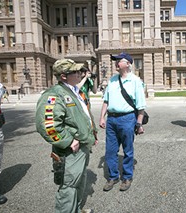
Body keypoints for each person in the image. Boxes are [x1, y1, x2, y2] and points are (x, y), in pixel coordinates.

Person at [35, 59, 98, 213]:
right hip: (70, 150)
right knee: (68, 187)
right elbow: (48, 126)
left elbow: (83, 115)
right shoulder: (54, 95)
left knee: (79, 181)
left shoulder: (73, 91)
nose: (80, 74)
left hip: (82, 146)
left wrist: (92, 134)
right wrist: (69, 141)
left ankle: (75, 210)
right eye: (76, 72)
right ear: (63, 76)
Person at [99, 52, 146, 192]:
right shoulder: (112, 80)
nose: (116, 62)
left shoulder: (136, 81)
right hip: (112, 119)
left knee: (127, 150)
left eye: (119, 60)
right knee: (110, 150)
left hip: (128, 118)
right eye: (116, 60)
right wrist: (102, 117)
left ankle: (127, 177)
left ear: (128, 64)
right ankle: (113, 177)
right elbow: (106, 101)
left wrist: (139, 124)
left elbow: (141, 106)